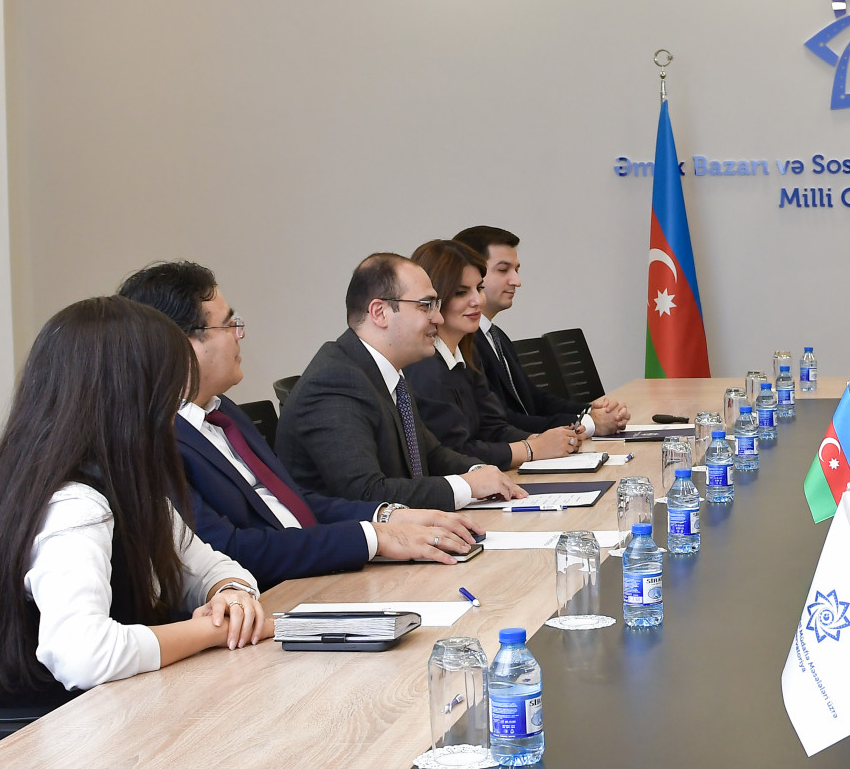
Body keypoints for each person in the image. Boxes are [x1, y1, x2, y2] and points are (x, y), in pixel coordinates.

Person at [0, 297, 270, 708]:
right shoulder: (75, 506)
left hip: (121, 705)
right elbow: (83, 656)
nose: (176, 409)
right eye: (169, 393)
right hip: (64, 727)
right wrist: (212, 631)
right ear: (131, 402)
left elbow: (209, 567)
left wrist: (231, 596)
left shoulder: (125, 486)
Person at [118, 261, 484, 590]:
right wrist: (372, 538)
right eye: (229, 324)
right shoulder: (154, 440)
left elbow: (291, 503)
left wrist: (389, 517)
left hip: (316, 575)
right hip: (272, 599)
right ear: (180, 342)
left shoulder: (222, 411)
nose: (239, 334)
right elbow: (226, 550)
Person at [276, 254, 527, 510]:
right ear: (380, 313)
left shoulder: (385, 373)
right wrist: (467, 486)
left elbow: (431, 454)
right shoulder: (336, 383)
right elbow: (366, 493)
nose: (438, 318)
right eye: (426, 306)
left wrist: (479, 472)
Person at [405, 240, 585, 468]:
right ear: (433, 300)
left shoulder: (467, 354)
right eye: (461, 292)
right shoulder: (424, 368)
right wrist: (532, 449)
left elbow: (493, 427)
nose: (477, 301)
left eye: (479, 288)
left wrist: (544, 440)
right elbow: (454, 453)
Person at [452, 224, 630, 437]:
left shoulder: (496, 336)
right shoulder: (463, 342)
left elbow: (535, 399)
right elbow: (499, 420)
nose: (517, 281)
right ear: (471, 273)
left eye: (517, 270)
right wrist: (587, 423)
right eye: (503, 270)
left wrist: (590, 410)